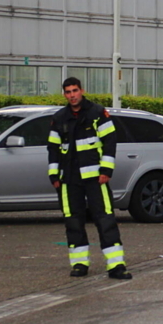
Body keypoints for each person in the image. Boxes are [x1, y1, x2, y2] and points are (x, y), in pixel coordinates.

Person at [47, 78, 131, 280]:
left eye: (75, 90)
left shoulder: (97, 113)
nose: (72, 95)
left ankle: (116, 265)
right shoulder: (59, 118)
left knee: (105, 219)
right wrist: (54, 175)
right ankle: (79, 264)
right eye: (68, 92)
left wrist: (106, 170)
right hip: (69, 179)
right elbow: (53, 149)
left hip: (96, 178)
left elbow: (110, 142)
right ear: (64, 94)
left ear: (82, 91)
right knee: (73, 221)